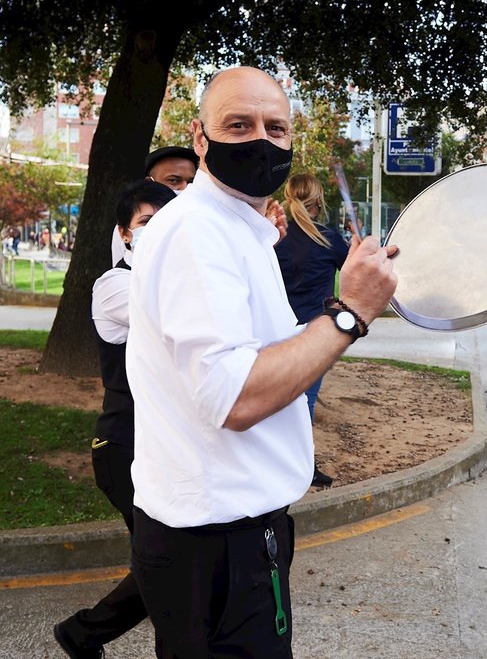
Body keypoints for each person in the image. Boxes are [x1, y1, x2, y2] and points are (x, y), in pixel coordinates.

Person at [126, 65, 397, 657]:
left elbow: (261, 352)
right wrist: (349, 314)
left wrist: (345, 301)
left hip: (220, 537)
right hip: (220, 545)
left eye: (277, 129)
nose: (261, 141)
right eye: (238, 124)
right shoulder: (199, 231)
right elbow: (237, 395)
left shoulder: (232, 227)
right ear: (201, 139)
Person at [53, 180, 178, 659]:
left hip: (161, 448)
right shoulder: (114, 286)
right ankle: (83, 632)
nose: (157, 231)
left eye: (167, 221)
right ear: (125, 235)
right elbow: (172, 313)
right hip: (122, 448)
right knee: (165, 560)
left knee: (169, 559)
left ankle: (83, 634)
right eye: (147, 223)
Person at [274, 172, 350, 488]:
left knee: (275, 399)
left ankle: (280, 463)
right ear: (319, 201)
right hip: (313, 333)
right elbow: (355, 272)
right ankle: (302, 468)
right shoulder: (329, 239)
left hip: (275, 329)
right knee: (305, 401)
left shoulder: (273, 237)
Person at [110, 146, 199, 264]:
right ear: (149, 182)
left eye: (190, 182)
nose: (184, 188)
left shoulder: (200, 219)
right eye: (173, 180)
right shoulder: (132, 229)